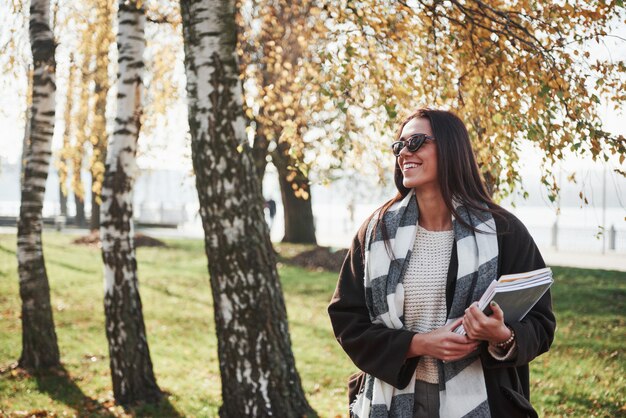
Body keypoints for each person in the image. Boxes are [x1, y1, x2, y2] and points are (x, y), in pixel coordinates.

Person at [327, 109, 555, 418]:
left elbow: (541, 323)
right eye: (399, 145)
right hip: (393, 399)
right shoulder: (375, 232)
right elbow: (347, 320)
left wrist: (502, 335)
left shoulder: (504, 231)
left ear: (450, 148)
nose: (404, 152)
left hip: (484, 399)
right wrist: (418, 344)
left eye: (417, 142)